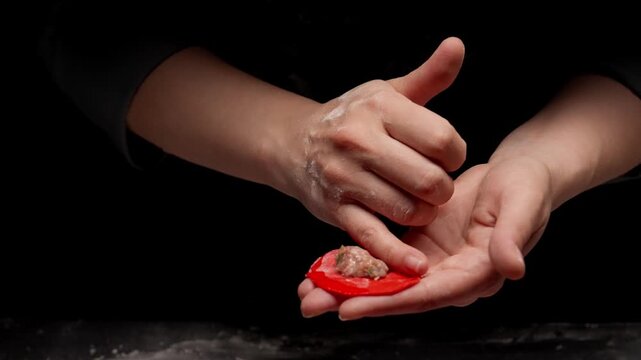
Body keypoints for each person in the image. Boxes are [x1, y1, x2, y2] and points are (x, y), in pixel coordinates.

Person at [39, 2, 641, 320]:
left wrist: (544, 160)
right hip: (182, 260)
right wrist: (285, 137)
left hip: (575, 276)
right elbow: (91, 28)